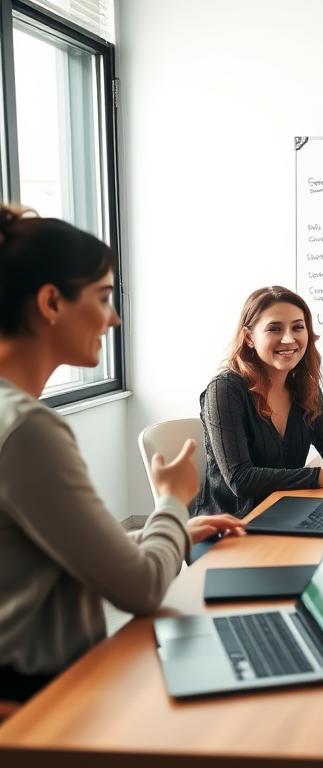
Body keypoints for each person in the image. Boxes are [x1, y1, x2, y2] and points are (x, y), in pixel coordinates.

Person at [0, 206, 244, 702]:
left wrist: (168, 531)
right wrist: (172, 501)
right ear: (50, 302)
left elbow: (40, 552)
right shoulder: (29, 429)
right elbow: (141, 589)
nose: (113, 318)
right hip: (41, 701)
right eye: (104, 297)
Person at [196, 286, 323, 520]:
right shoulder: (225, 389)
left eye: (298, 327)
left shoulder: (304, 386)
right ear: (249, 337)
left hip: (285, 511)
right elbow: (240, 480)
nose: (289, 339)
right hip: (230, 526)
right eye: (274, 328)